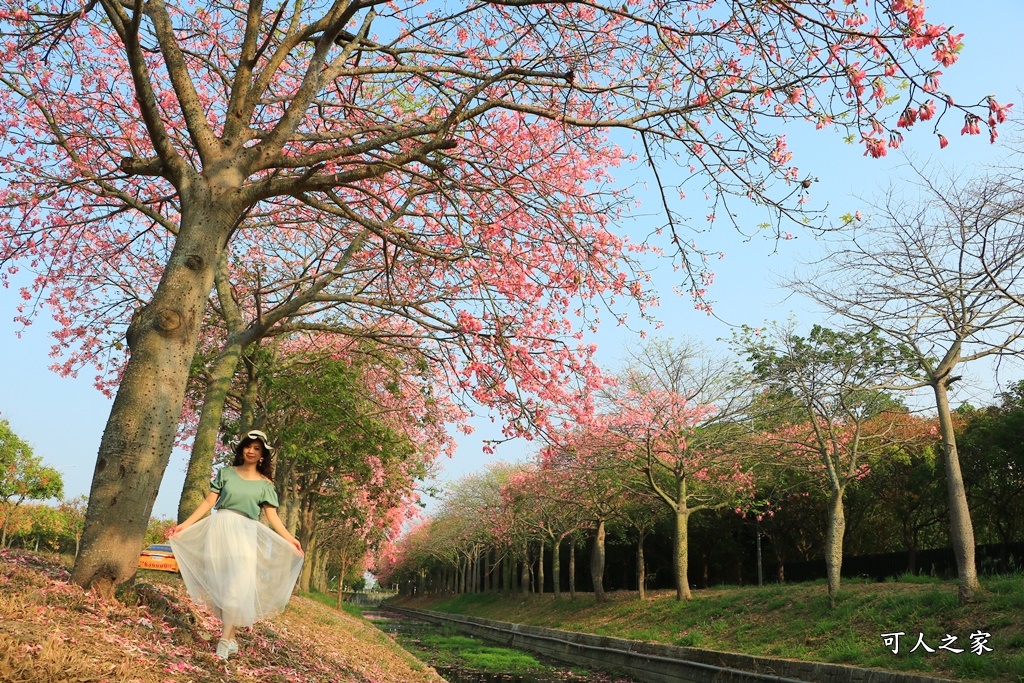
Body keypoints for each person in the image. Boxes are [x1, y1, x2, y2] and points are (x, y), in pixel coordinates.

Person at [168, 430, 304, 660]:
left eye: (257, 448)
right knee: (219, 587)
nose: (251, 451)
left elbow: (272, 516)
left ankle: (223, 642)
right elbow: (209, 502)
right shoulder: (226, 473)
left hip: (245, 534)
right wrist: (184, 525)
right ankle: (230, 639)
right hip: (220, 529)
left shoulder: (265, 484)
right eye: (248, 446)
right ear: (242, 449)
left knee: (234, 588)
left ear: (262, 455)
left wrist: (289, 538)